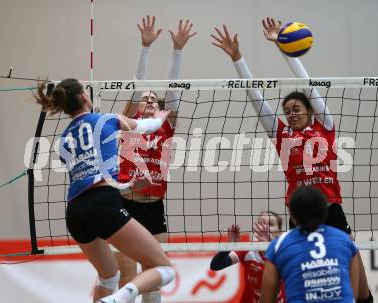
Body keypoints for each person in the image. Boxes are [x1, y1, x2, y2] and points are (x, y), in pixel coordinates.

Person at [210, 18, 373, 302]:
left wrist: (283, 47)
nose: (291, 113)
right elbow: (255, 97)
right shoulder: (281, 134)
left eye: (296, 108)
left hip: (331, 209)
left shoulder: (325, 125)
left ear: (309, 110)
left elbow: (308, 84)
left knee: (358, 286)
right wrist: (238, 58)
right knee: (304, 274)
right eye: (287, 110)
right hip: (297, 211)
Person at [34, 79, 175, 303]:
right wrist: (160, 118)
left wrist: (127, 186)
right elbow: (149, 127)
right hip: (103, 205)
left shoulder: (63, 141)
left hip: (75, 212)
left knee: (108, 277)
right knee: (166, 270)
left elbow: (89, 173)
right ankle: (117, 300)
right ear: (84, 97)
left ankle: (110, 296)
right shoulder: (107, 120)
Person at [115, 16, 196, 303]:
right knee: (126, 279)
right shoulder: (127, 123)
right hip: (124, 207)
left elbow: (173, 91)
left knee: (153, 279)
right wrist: (145, 48)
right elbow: (138, 85)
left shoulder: (165, 126)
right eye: (144, 99)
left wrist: (177, 51)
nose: (148, 100)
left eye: (154, 99)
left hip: (154, 209)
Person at [262, 186, 361, 303]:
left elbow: (266, 300)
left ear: (292, 216)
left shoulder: (278, 245)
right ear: (324, 212)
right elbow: (352, 296)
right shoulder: (345, 240)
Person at [210, 212, 286, 303]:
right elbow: (215, 265)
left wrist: (269, 248)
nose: (265, 227)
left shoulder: (285, 253)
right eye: (262, 223)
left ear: (279, 233)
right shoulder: (249, 249)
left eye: (270, 224)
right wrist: (228, 247)